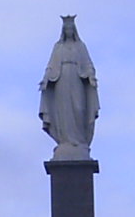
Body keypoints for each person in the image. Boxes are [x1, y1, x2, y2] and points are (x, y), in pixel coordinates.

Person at [39, 15, 99, 160]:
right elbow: (51, 66)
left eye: (71, 28)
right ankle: (65, 141)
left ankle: (78, 141)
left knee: (78, 108)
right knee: (64, 111)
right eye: (66, 29)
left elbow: (88, 64)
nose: (69, 31)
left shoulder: (80, 47)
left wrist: (90, 75)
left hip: (76, 80)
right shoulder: (58, 47)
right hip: (62, 81)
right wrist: (46, 79)